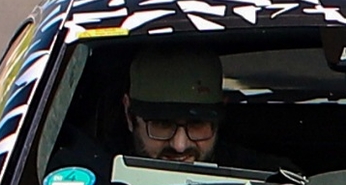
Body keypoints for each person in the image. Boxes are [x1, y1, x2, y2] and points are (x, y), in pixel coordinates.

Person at [118, 44, 282, 170]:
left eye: (197, 124)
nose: (179, 145)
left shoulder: (269, 181)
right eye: (163, 124)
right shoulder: (98, 179)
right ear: (129, 115)